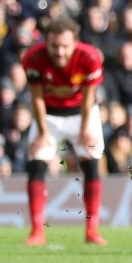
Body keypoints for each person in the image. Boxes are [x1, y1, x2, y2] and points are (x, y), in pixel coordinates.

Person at [22, 15, 107, 246]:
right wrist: (42, 132)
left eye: (65, 47)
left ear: (75, 43)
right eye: (54, 46)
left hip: (83, 112)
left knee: (90, 163)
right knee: (36, 163)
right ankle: (37, 231)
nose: (59, 52)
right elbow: (36, 97)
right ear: (46, 43)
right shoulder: (33, 58)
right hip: (48, 115)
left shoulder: (89, 57)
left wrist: (84, 130)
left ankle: (92, 230)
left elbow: (89, 97)